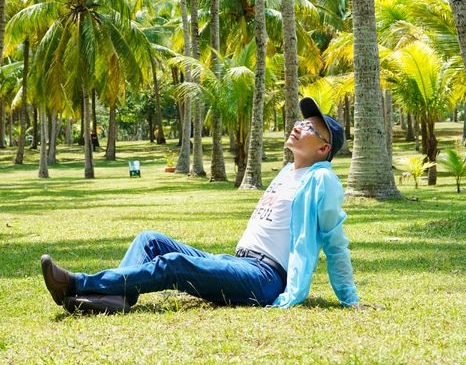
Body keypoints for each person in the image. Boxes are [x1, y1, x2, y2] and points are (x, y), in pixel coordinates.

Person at [41, 96, 359, 314]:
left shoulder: (323, 181)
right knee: (149, 240)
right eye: (302, 121)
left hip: (263, 278)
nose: (299, 126)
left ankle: (78, 283)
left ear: (324, 147)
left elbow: (335, 243)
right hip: (240, 262)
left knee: (175, 265)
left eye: (310, 128)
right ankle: (117, 297)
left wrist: (350, 299)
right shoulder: (289, 171)